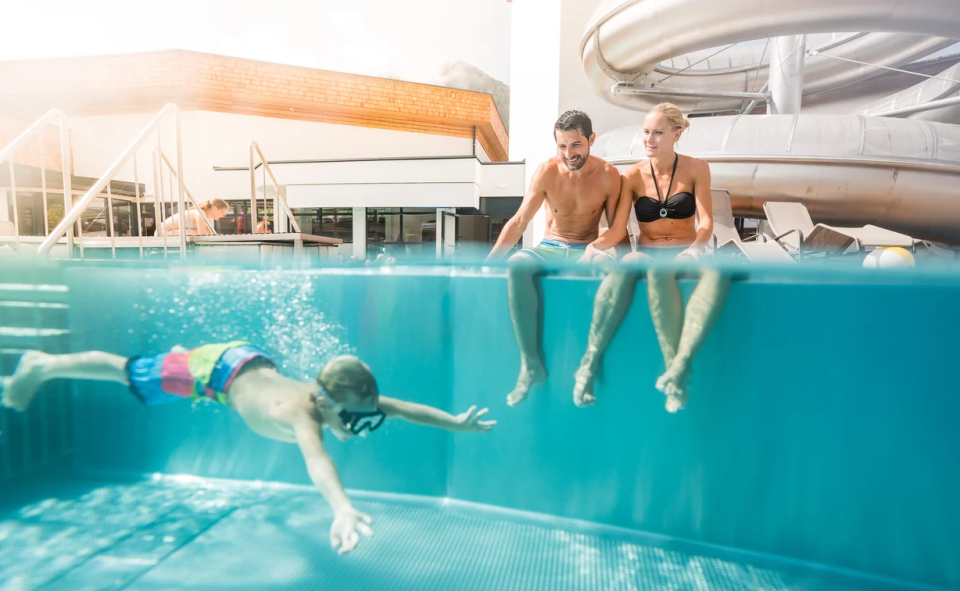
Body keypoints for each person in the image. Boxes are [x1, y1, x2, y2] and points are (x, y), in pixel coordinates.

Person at [1, 342, 495, 555]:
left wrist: (456, 423)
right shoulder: (305, 414)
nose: (364, 415)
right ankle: (42, 364)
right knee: (128, 372)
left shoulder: (340, 397)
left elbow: (403, 407)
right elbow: (317, 464)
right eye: (351, 411)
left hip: (245, 363)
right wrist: (343, 509)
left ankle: (174, 358)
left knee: (358, 423)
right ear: (324, 400)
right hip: (216, 373)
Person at [573, 103, 730, 412]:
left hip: (686, 251)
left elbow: (707, 222)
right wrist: (596, 246)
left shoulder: (698, 168)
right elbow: (618, 229)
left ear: (677, 134)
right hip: (647, 254)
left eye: (658, 132)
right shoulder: (632, 175)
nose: (650, 139)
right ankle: (589, 363)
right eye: (646, 132)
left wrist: (695, 250)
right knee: (632, 264)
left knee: (718, 274)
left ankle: (677, 368)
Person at [486, 110, 622, 406]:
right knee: (517, 264)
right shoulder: (547, 172)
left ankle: (590, 365)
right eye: (562, 146)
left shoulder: (609, 176)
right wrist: (489, 263)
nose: (569, 154)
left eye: (575, 145)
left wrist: (600, 253)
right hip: (550, 246)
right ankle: (530, 364)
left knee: (611, 269)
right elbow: (520, 221)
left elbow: (613, 231)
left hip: (588, 248)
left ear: (591, 140)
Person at [157, 198, 229, 236]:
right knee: (196, 233)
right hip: (163, 232)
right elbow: (202, 236)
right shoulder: (200, 214)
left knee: (199, 232)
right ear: (215, 208)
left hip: (172, 232)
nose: (222, 216)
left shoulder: (208, 219)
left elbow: (212, 235)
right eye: (222, 213)